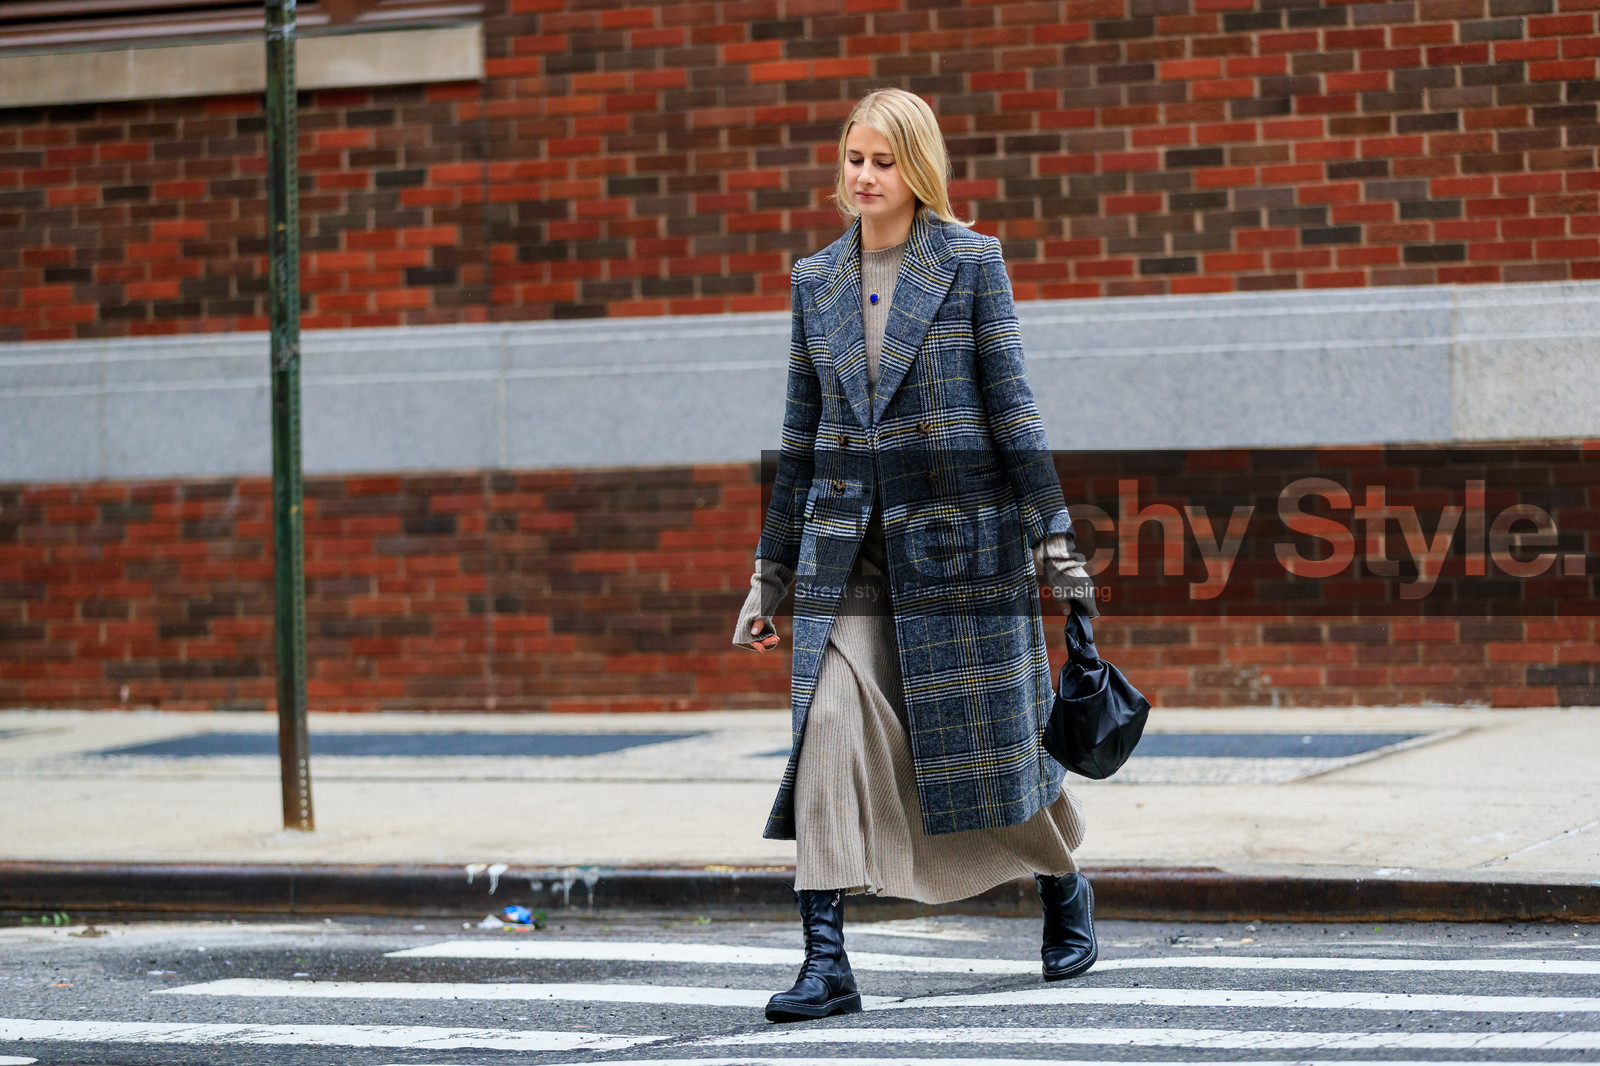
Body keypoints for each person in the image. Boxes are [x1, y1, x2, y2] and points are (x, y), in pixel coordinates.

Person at [732, 88, 1101, 1024]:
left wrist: (1053, 533)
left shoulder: (971, 264)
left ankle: (1062, 885)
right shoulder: (814, 280)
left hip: (959, 546)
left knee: (986, 753)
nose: (864, 176)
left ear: (919, 168)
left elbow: (1012, 407)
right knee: (826, 732)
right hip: (843, 547)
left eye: (883, 161)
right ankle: (826, 957)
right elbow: (801, 436)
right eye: (854, 158)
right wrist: (769, 574)